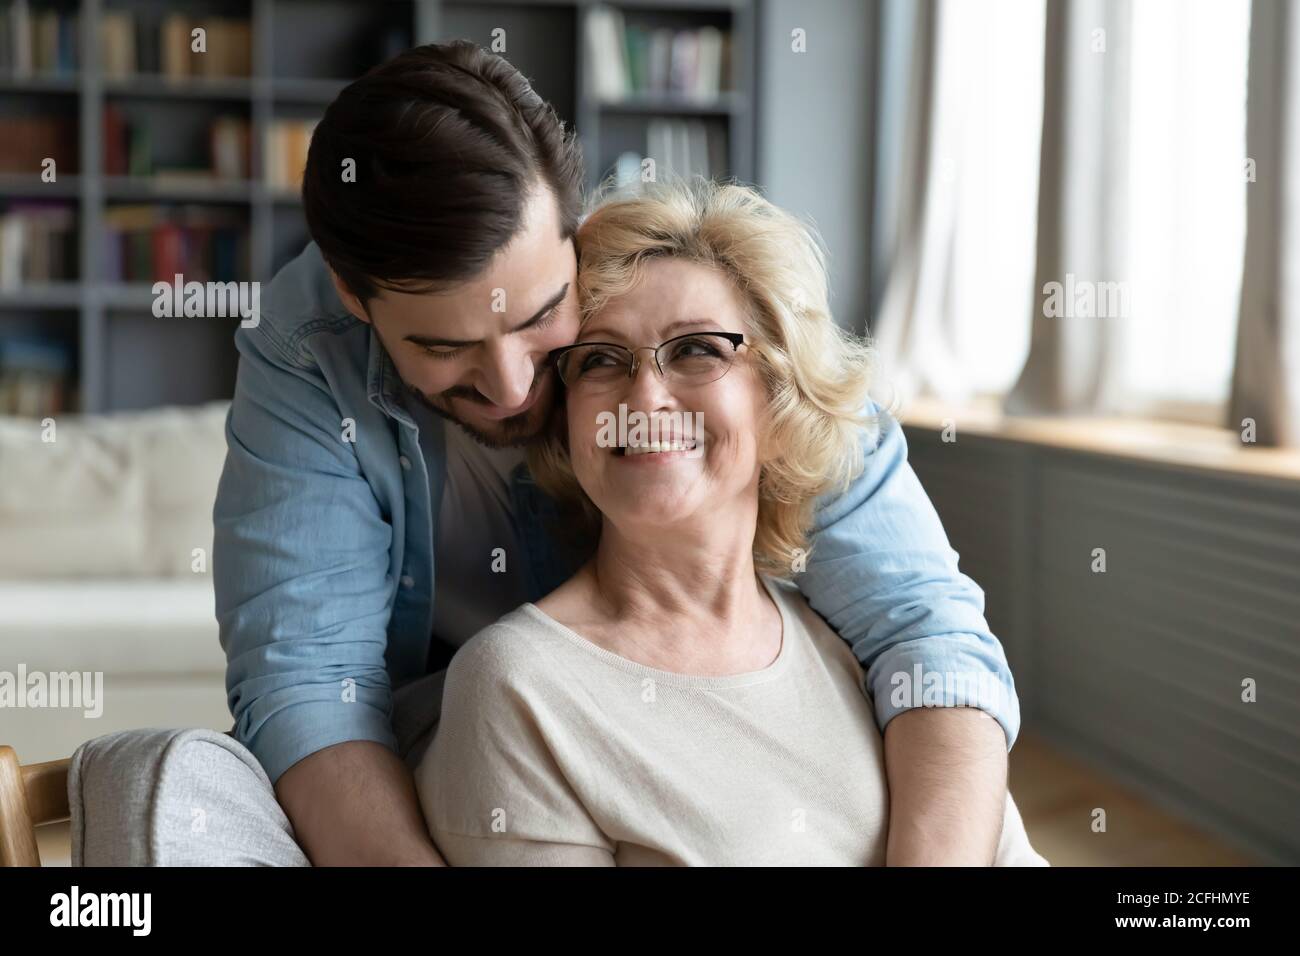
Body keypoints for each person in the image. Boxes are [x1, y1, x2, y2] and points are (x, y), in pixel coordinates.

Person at [214, 41, 1020, 866]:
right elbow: (310, 689)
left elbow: (928, 627)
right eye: (446, 346)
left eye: (543, 319)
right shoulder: (309, 347)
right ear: (357, 301)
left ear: (574, 234)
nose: (511, 384)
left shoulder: (683, 299)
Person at [414, 178, 1045, 865]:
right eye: (601, 360)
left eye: (696, 350)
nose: (647, 397)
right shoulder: (516, 687)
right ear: (568, 424)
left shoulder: (870, 647)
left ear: (779, 404)